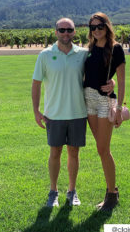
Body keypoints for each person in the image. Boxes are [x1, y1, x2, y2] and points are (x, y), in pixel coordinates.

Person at [32, 17, 115, 208]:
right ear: (55, 32)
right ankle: (53, 192)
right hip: (53, 114)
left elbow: (100, 73)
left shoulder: (84, 53)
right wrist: (36, 111)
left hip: (78, 112)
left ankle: (72, 191)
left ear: (75, 32)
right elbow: (36, 84)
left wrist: (113, 82)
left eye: (69, 30)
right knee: (55, 153)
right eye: (61, 30)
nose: (65, 33)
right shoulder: (44, 55)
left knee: (73, 153)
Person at [84, 12, 126, 211]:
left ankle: (112, 194)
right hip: (88, 100)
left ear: (107, 26)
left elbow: (122, 79)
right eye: (93, 27)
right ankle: (111, 191)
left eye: (100, 26)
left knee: (103, 149)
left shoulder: (116, 48)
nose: (96, 30)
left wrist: (118, 108)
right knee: (101, 149)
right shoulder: (90, 48)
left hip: (104, 100)